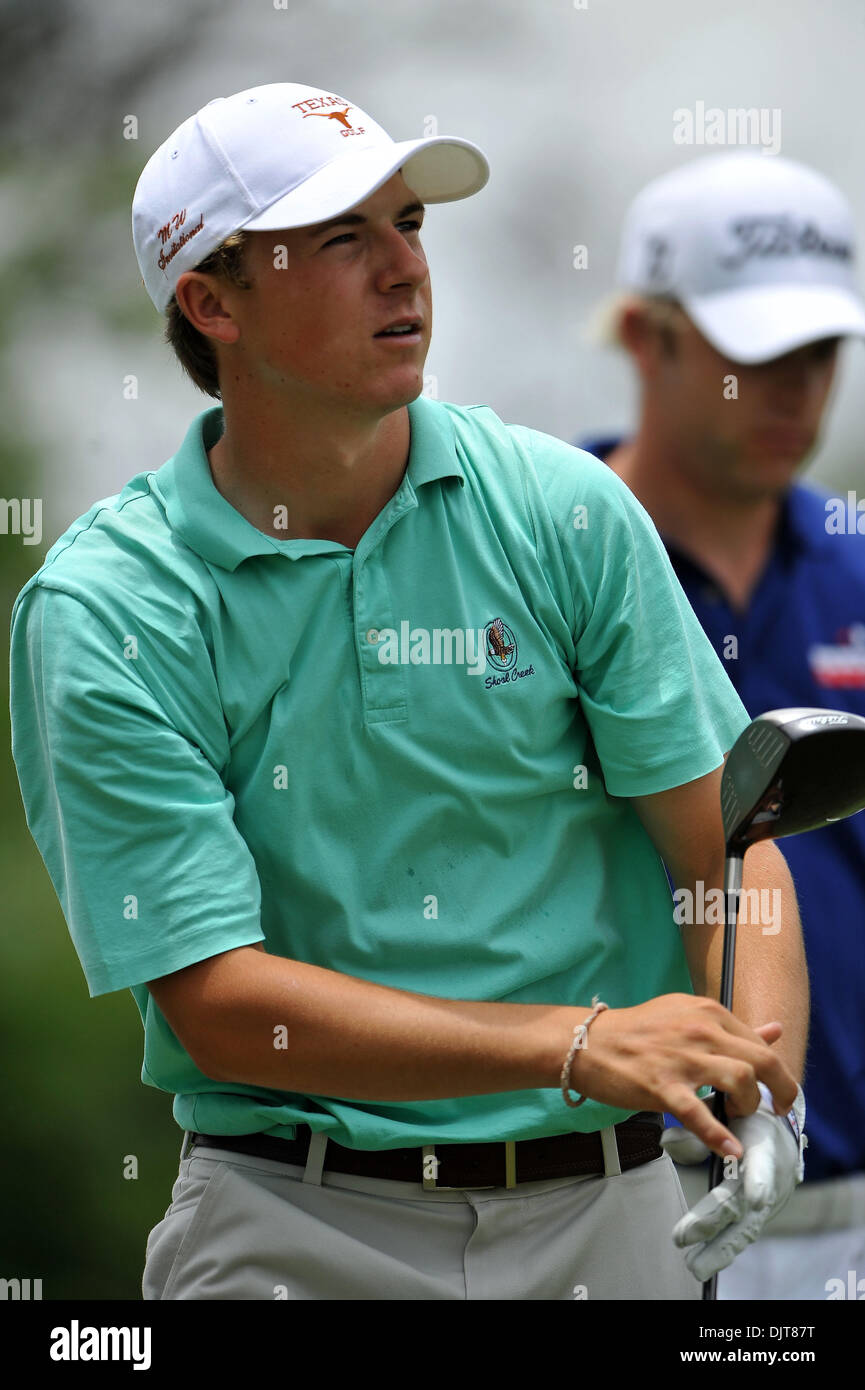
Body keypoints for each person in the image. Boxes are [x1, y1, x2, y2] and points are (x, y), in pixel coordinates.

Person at [10, 85, 806, 1302]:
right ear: (211, 302)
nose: (404, 272)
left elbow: (729, 849)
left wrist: (760, 1087)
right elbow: (220, 1001)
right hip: (291, 1221)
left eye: (410, 225)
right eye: (342, 239)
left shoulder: (561, 508)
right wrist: (579, 1044)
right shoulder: (109, 607)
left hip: (615, 1215)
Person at [579, 150, 865, 1300]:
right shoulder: (540, 570)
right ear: (649, 338)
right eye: (758, 355)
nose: (793, 392)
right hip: (614, 1205)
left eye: (819, 355)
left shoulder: (854, 565)